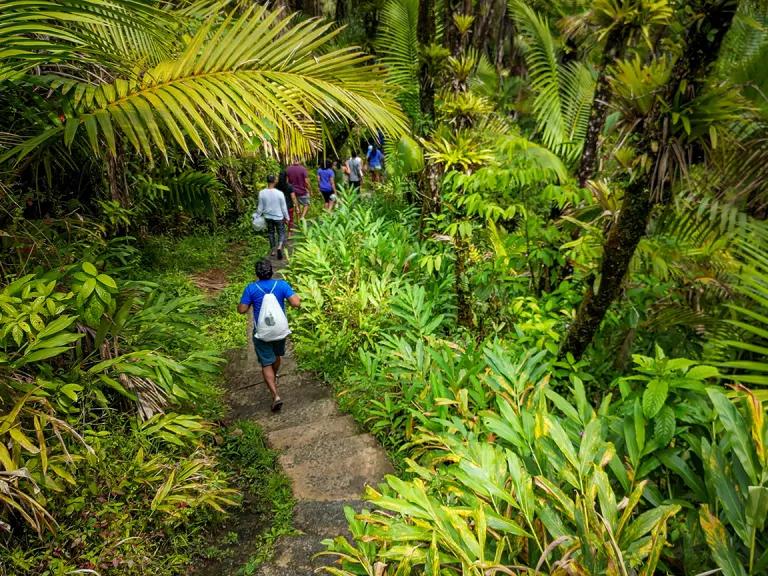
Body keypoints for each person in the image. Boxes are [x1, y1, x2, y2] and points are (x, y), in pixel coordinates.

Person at [238, 260, 300, 411]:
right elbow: (296, 303)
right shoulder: (282, 285)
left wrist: (246, 302)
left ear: (257, 274)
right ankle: (274, 375)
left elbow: (242, 310)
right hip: (280, 331)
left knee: (266, 363)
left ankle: (275, 396)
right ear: (271, 271)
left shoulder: (251, 288)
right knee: (277, 355)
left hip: (262, 333)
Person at [255, 174, 289, 260]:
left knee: (271, 233)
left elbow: (260, 207)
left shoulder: (262, 193)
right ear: (274, 181)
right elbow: (283, 207)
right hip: (279, 217)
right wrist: (287, 217)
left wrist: (256, 216)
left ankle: (273, 250)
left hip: (268, 217)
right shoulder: (279, 193)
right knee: (281, 232)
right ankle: (280, 246)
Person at [276, 170, 296, 237]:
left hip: (279, 207)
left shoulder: (276, 186)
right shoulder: (289, 186)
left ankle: (282, 233)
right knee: (290, 219)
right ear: (286, 177)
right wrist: (296, 206)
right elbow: (293, 197)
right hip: (289, 206)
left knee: (281, 219)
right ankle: (289, 234)